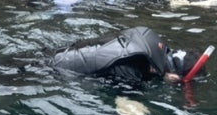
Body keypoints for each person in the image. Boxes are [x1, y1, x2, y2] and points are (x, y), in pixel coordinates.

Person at [48, 26, 208, 84]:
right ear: (174, 77)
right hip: (50, 73)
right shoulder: (135, 71)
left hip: (55, 52)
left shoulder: (148, 39)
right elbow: (127, 106)